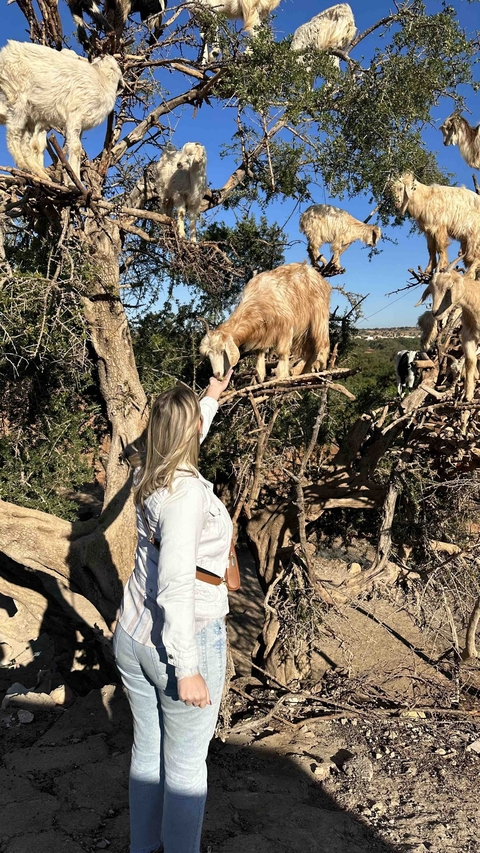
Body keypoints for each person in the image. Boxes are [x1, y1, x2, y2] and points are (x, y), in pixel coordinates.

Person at [113, 370, 233, 853]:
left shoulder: (147, 468)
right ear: (185, 437)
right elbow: (176, 584)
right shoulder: (186, 496)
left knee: (147, 753)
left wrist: (209, 398)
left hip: (131, 634)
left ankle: (144, 848)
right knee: (185, 770)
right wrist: (188, 668)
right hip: (178, 641)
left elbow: (187, 430)